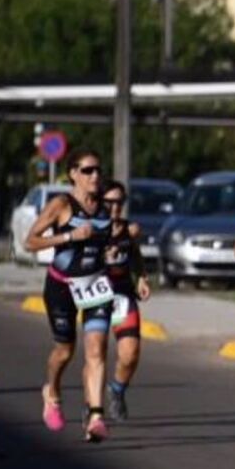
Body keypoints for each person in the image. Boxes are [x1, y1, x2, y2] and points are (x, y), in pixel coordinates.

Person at [27, 150, 113, 441]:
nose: (95, 176)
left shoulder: (104, 206)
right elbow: (30, 242)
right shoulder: (61, 205)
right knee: (65, 351)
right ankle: (51, 392)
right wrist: (68, 237)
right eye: (87, 170)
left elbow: (111, 238)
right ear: (73, 174)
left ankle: (96, 416)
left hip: (94, 284)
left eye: (98, 170)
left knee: (96, 349)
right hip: (61, 286)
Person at [99, 180, 153, 422]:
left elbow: (135, 256)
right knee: (96, 354)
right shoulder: (91, 229)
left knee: (130, 353)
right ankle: (92, 408)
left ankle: (117, 390)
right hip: (95, 297)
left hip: (121, 296)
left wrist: (141, 277)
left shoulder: (129, 230)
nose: (114, 207)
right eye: (109, 202)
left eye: (119, 202)